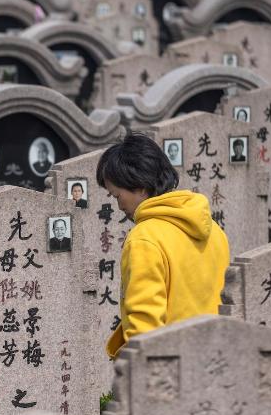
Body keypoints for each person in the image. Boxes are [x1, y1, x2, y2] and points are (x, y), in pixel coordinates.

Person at [95, 132, 229, 359]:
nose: (118, 206)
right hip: (217, 362)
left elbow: (144, 332)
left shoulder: (144, 239)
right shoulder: (214, 230)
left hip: (171, 373)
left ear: (139, 186)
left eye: (117, 195)